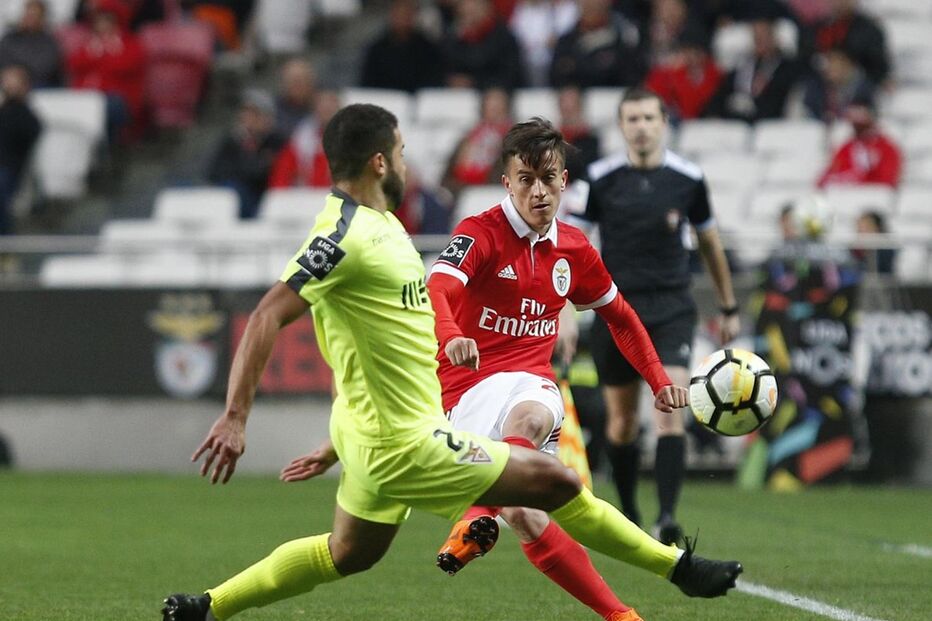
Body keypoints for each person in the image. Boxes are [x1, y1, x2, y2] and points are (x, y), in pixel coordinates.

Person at [161, 103, 742, 621]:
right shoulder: (352, 237)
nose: (410, 160)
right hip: (413, 434)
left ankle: (208, 607)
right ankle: (676, 568)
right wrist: (236, 416)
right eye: (402, 150)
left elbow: (381, 346)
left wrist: (341, 443)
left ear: (564, 181)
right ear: (382, 162)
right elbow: (270, 314)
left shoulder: (385, 225)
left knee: (347, 554)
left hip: (380, 428)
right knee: (556, 482)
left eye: (549, 180)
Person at [428, 117, 692, 620]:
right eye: (525, 180)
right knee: (525, 515)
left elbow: (622, 317)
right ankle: (610, 606)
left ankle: (480, 521)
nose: (539, 191)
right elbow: (439, 287)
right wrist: (452, 334)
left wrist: (658, 379)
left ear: (564, 181)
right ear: (507, 182)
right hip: (466, 393)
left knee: (527, 418)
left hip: (533, 384)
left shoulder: (573, 248)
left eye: (549, 178)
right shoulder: (478, 232)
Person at [574, 88, 740, 546]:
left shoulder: (688, 179)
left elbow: (709, 243)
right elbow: (573, 246)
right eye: (632, 119)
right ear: (621, 125)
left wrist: (728, 305)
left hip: (671, 308)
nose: (641, 126)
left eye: (649, 117)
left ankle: (667, 518)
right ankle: (629, 513)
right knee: (621, 424)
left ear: (663, 122)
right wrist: (566, 309)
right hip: (616, 311)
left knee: (671, 411)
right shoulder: (600, 178)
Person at [206, 89, 286, 218]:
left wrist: (248, 167)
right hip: (235, 198)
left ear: (267, 117)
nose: (248, 118)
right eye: (245, 113)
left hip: (264, 198)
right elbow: (215, 172)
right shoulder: (231, 142)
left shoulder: (277, 142)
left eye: (254, 113)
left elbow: (265, 174)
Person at [817, 91, 901, 189]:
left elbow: (887, 181)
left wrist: (858, 179)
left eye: (860, 112)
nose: (856, 118)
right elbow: (824, 180)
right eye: (853, 112)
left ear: (871, 114)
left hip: (873, 200)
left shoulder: (886, 148)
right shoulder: (846, 148)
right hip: (844, 199)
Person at [360, 0, 443, 93]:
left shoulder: (428, 49)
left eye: (407, 14)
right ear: (391, 15)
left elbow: (433, 83)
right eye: (399, 14)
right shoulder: (377, 49)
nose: (402, 18)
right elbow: (368, 83)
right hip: (384, 99)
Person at [0, 65, 42, 236]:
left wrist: (14, 102)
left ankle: (5, 246)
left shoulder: (25, 114)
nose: (9, 87)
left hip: (8, 169)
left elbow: (30, 132)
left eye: (14, 83)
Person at [0, 0, 64, 88]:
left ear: (42, 18)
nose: (30, 19)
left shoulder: (50, 42)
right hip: (10, 84)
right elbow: (3, 60)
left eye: (35, 16)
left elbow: (46, 68)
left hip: (39, 86)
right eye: (28, 15)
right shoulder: (9, 39)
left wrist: (22, 74)